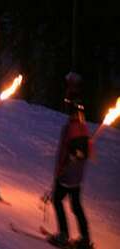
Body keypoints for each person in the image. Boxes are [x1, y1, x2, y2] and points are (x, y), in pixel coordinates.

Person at [48, 98, 93, 249]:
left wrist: (59, 170)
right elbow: (89, 154)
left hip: (66, 175)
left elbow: (64, 152)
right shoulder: (85, 129)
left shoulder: (69, 129)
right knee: (76, 205)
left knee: (57, 200)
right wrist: (80, 153)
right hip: (77, 177)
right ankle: (85, 237)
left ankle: (63, 234)